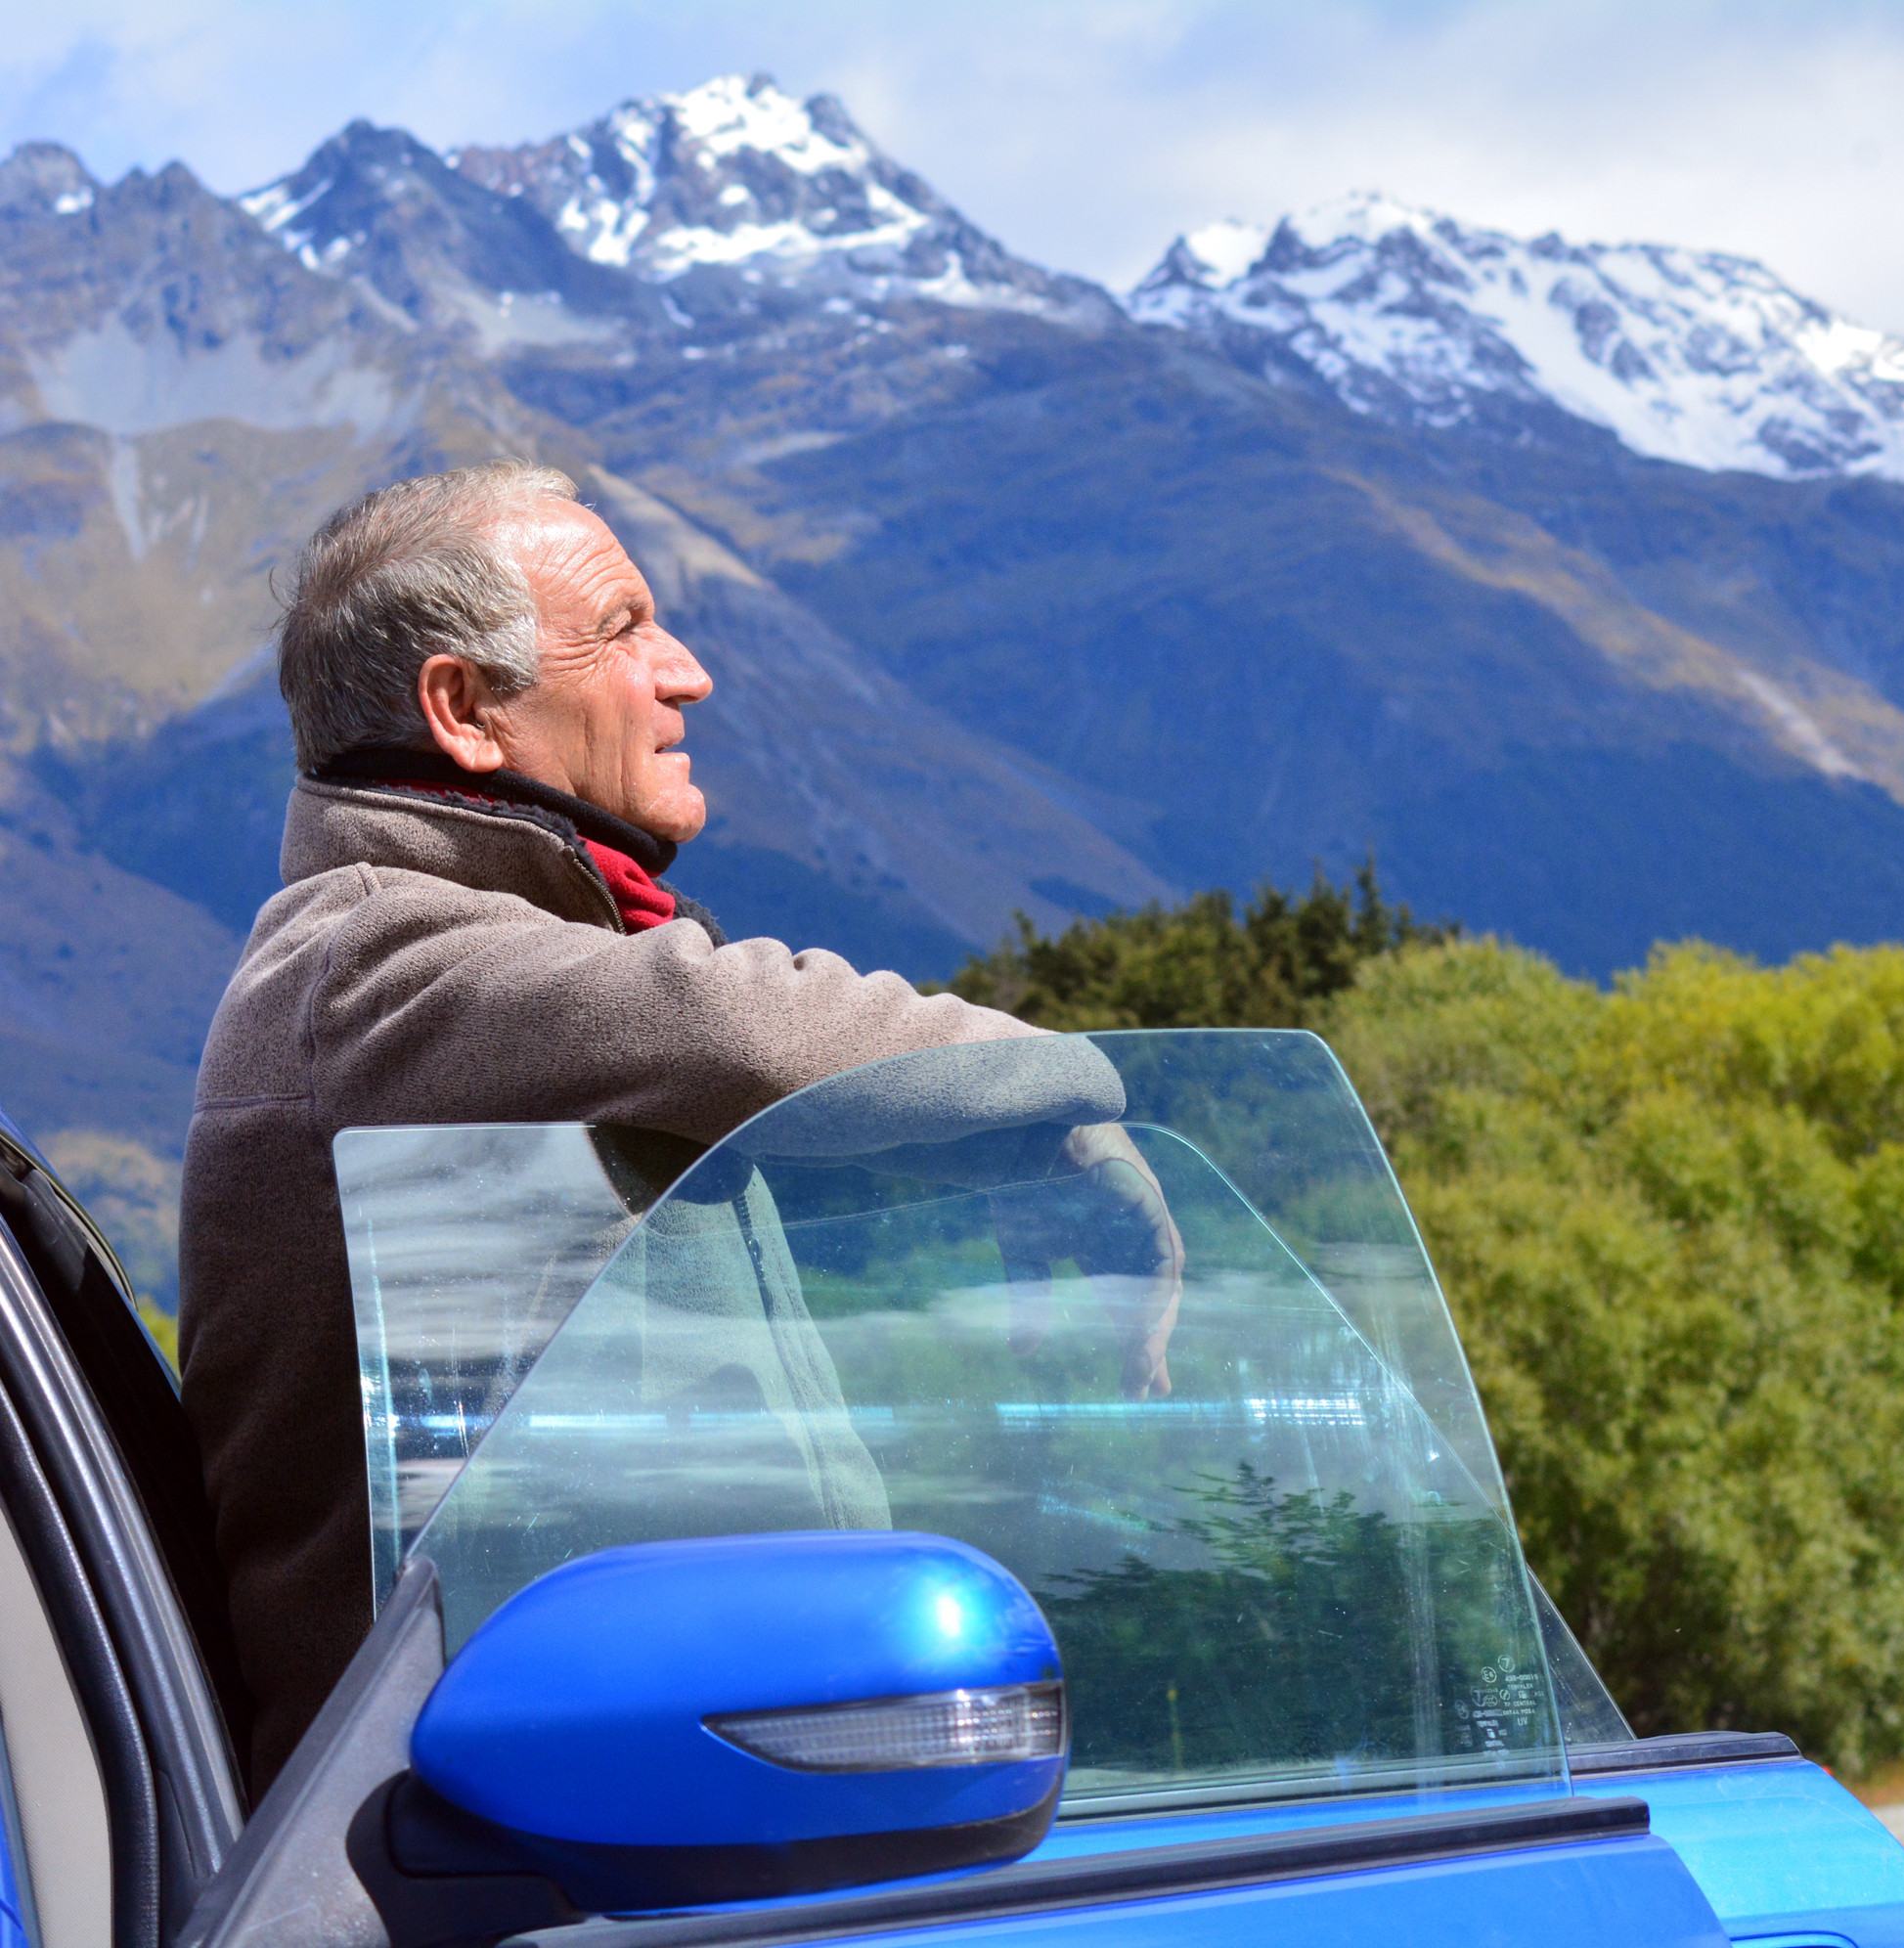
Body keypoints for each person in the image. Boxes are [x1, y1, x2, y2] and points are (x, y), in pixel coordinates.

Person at [178, 460, 1180, 1796]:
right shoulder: (376, 962)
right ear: (466, 711)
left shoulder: (505, 968)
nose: (689, 672)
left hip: (627, 1807)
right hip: (452, 1852)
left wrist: (1030, 1160)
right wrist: (1084, 1104)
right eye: (626, 629)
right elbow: (751, 1037)